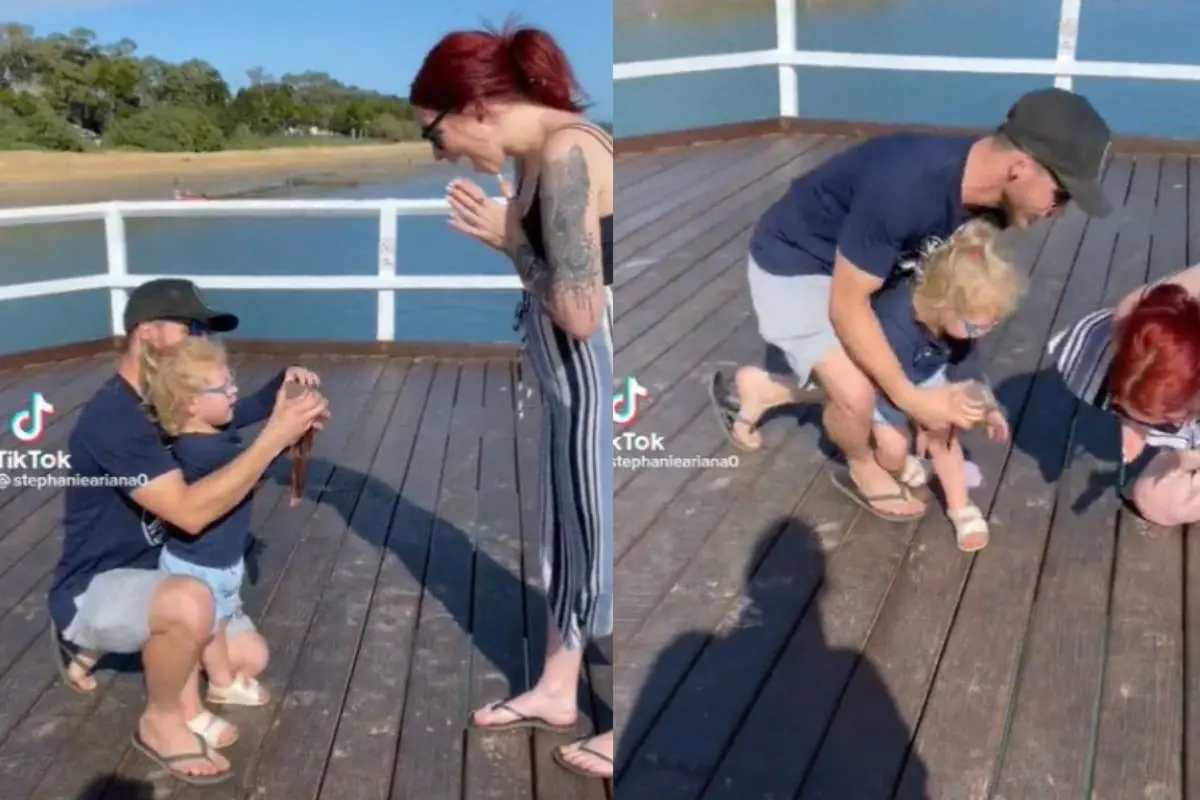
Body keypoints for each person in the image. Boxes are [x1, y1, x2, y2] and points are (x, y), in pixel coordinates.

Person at [709, 87, 1113, 522]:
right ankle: (861, 468)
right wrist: (913, 401)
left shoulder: (993, 207)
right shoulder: (907, 186)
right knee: (857, 392)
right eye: (1061, 195)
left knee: (891, 360)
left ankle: (767, 389)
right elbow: (847, 306)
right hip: (798, 260)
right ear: (1020, 168)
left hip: (875, 267)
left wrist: (964, 387)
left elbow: (951, 301)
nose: (1059, 211)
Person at [409, 21, 614, 779]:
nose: (440, 153)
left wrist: (511, 242)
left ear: (473, 105)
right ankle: (559, 689)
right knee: (567, 535)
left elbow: (580, 311)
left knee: (602, 538)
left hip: (596, 374)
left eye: (434, 134)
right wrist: (516, 240)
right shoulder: (535, 158)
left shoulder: (565, 154)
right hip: (565, 382)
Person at [47, 277, 327, 785]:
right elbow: (189, 514)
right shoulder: (114, 419)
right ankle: (161, 721)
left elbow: (230, 412)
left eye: (204, 329)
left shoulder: (169, 396)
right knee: (193, 600)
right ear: (147, 333)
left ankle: (169, 645)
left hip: (162, 569)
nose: (201, 338)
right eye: (190, 327)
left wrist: (284, 391)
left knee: (247, 657)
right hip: (97, 585)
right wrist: (273, 439)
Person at [856, 220, 1022, 547]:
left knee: (945, 436)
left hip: (923, 371)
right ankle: (896, 467)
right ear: (945, 306)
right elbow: (882, 378)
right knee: (893, 450)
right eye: (976, 327)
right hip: (881, 382)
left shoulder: (955, 323)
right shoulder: (893, 323)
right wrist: (918, 414)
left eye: (992, 324)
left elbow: (968, 370)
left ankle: (960, 507)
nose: (982, 333)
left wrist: (988, 408)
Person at [141, 336, 281, 708]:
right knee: (211, 628)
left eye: (232, 381)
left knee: (237, 643)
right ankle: (221, 683)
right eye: (224, 388)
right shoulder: (198, 450)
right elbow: (251, 468)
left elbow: (256, 404)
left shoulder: (213, 429)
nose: (234, 391)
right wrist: (283, 435)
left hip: (221, 565)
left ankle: (192, 653)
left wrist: (286, 379)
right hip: (198, 568)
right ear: (191, 403)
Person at [1049, 264, 1200, 526]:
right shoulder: (1129, 323)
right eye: (1118, 406)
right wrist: (1133, 423)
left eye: (1165, 423)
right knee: (1157, 502)